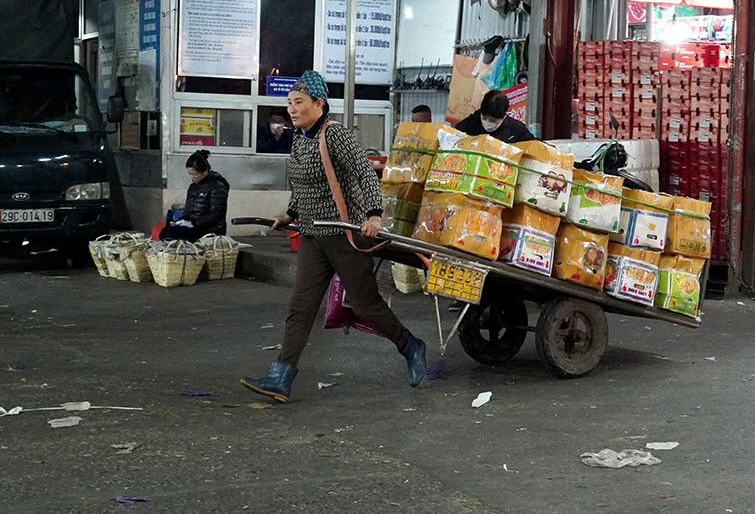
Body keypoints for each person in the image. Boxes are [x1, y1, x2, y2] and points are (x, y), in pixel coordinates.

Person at [240, 71, 426, 403]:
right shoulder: (299, 138)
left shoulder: (334, 134)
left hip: (344, 234)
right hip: (312, 235)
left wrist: (373, 213)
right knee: (301, 307)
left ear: (319, 104)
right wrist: (289, 215)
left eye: (298, 103)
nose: (292, 110)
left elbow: (365, 171)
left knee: (367, 306)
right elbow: (303, 186)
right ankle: (281, 376)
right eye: (289, 103)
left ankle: (410, 345)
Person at [161, 150, 230, 242]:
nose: (193, 177)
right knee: (165, 231)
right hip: (194, 226)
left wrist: (193, 223)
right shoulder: (193, 187)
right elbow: (189, 211)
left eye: (195, 174)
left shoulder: (217, 186)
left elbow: (216, 215)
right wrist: (180, 220)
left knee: (175, 233)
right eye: (190, 174)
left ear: (204, 171)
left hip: (210, 229)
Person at [456, 90, 535, 143]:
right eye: (484, 117)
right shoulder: (467, 126)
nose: (487, 122)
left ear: (504, 116)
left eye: (493, 120)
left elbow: (533, 146)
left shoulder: (517, 129)